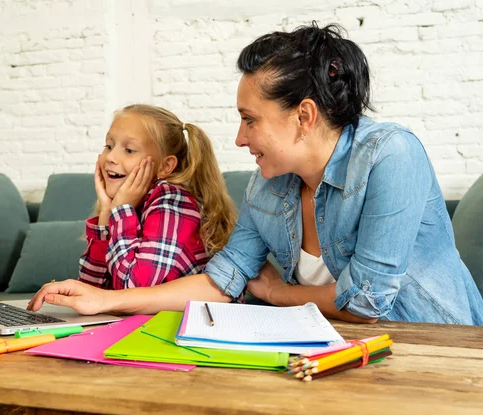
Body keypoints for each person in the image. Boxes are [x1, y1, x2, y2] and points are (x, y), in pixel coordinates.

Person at [29, 23, 483, 325]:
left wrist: (277, 293)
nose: (239, 139)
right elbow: (221, 281)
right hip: (332, 349)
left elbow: (367, 303)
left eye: (250, 120)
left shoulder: (391, 155)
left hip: (437, 348)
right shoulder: (268, 183)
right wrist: (103, 300)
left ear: (303, 116)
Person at [76, 104, 237, 290]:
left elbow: (134, 291)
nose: (111, 157)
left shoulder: (172, 202)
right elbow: (90, 290)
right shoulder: (130, 204)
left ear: (165, 166)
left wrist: (121, 210)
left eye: (129, 150)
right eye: (109, 146)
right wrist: (106, 212)